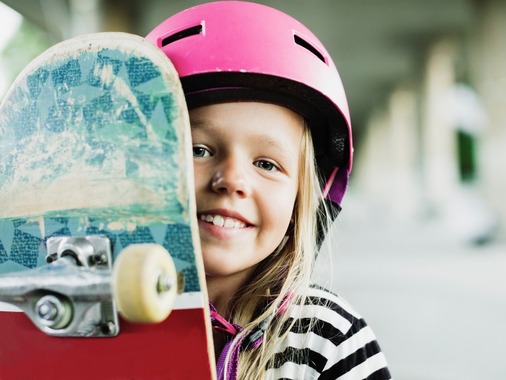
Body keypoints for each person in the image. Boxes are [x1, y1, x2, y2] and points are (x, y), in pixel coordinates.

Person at [146, 2, 391, 379]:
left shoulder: (329, 339)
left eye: (266, 164)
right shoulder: (90, 318)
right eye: (197, 150)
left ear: (302, 200)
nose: (232, 180)